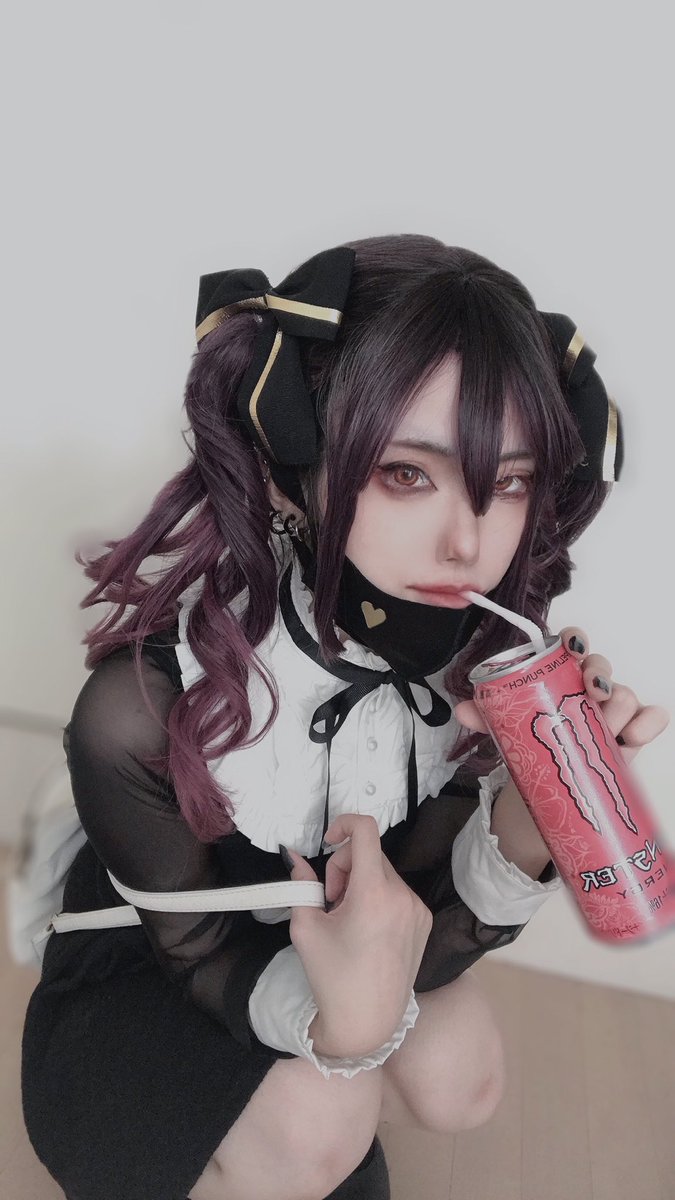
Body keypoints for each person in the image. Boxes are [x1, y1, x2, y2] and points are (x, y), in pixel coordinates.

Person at [21, 234, 669, 1200]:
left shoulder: (464, 673)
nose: (466, 542)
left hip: (330, 959)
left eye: (508, 482)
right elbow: (193, 956)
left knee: (461, 1071)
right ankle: (268, 1139)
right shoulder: (144, 705)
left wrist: (527, 824)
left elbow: (420, 927)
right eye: (408, 474)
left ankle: (306, 1123)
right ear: (289, 467)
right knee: (321, 1117)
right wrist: (341, 1032)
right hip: (150, 983)